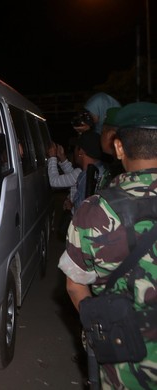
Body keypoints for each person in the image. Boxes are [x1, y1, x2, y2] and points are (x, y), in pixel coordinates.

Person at [58, 101, 157, 389]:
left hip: (125, 364)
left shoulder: (94, 210)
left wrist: (102, 328)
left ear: (119, 148)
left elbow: (75, 285)